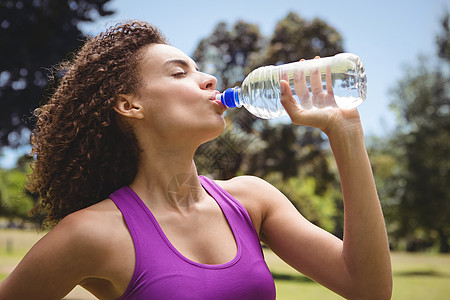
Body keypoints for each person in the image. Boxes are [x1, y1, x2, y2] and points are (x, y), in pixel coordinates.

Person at [0, 21, 392, 299]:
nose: (208, 80)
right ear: (129, 104)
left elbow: (368, 289)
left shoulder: (252, 200)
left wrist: (346, 132)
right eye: (179, 73)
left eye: (200, 69)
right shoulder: (90, 233)